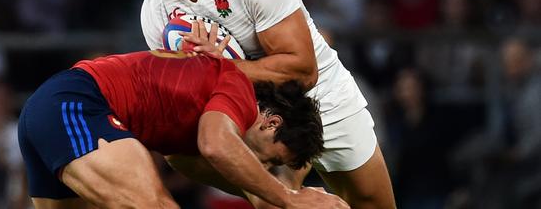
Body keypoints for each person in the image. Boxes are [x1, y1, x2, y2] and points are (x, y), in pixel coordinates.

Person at [140, 0, 396, 208]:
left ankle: (275, 194)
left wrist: (220, 69)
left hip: (319, 98)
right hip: (248, 112)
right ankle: (269, 193)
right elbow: (178, 99)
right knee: (177, 152)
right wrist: (199, 79)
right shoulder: (155, 9)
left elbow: (304, 71)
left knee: (373, 203)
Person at [17, 49, 349, 209]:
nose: (264, 167)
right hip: (76, 103)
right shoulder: (239, 91)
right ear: (271, 122)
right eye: (273, 159)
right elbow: (216, 146)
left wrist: (270, 197)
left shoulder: (205, 114)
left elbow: (188, 161)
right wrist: (289, 198)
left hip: (52, 110)